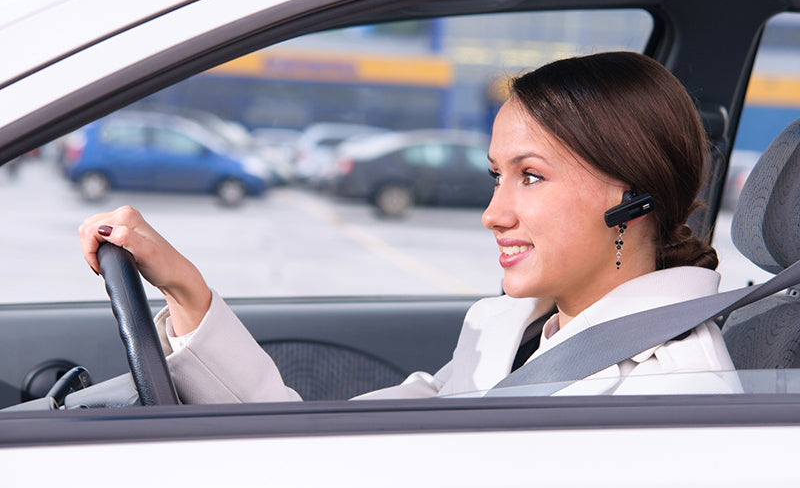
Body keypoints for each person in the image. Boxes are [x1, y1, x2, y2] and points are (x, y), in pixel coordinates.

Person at [78, 51, 739, 403]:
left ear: (632, 195)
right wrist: (187, 291)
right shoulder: (503, 328)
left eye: (530, 176)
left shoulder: (680, 394)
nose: (493, 213)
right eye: (494, 175)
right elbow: (331, 450)